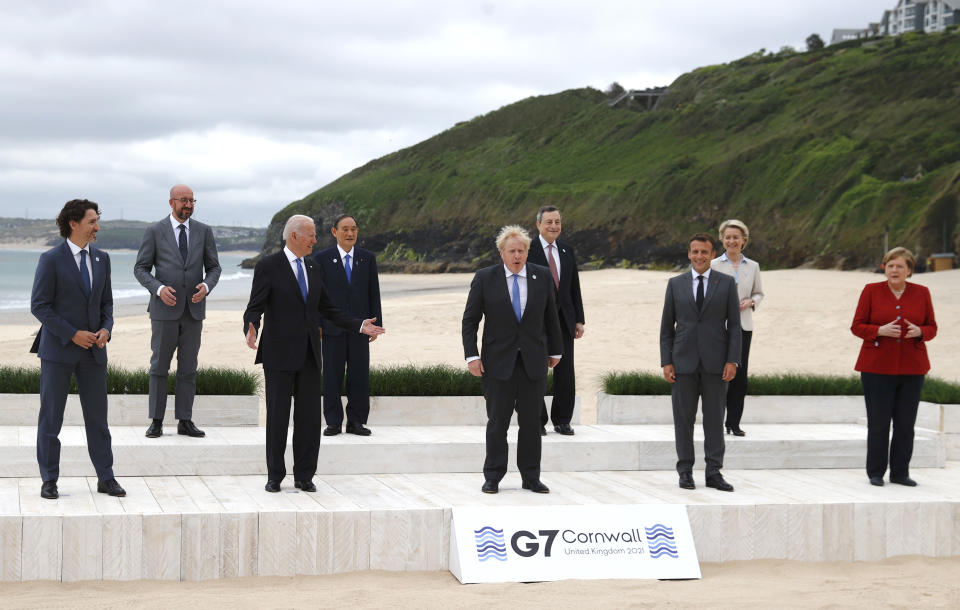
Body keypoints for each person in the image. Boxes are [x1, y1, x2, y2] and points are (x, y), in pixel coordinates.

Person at [243, 215, 384, 493]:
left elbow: (328, 309)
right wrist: (251, 326)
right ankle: (275, 476)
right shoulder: (268, 266)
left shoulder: (313, 266)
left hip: (310, 354)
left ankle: (304, 476)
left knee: (308, 420)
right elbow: (255, 305)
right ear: (294, 236)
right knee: (278, 418)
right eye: (310, 235)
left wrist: (359, 325)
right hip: (279, 355)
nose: (315, 240)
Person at [30, 199, 125, 499]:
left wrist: (106, 328)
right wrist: (72, 335)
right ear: (73, 223)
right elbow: (40, 306)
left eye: (97, 221)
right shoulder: (50, 260)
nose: (97, 227)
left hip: (95, 352)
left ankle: (106, 478)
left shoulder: (103, 259)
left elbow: (107, 303)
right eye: (92, 221)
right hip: (58, 351)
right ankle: (49, 480)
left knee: (98, 419)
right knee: (51, 419)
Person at [462, 225, 563, 494]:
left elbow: (551, 317)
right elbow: (470, 321)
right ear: (501, 253)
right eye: (512, 251)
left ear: (528, 252)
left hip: (533, 362)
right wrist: (472, 356)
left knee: (531, 424)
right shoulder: (485, 278)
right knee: (498, 423)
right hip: (497, 363)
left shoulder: (542, 276)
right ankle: (493, 476)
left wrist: (555, 351)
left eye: (521, 251)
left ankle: (531, 477)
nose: (517, 256)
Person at [134, 184, 221, 439]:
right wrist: (158, 288)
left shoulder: (204, 231)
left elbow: (214, 268)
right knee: (159, 366)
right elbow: (140, 268)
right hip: (164, 310)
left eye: (192, 201)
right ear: (171, 202)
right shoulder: (154, 231)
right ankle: (157, 421)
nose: (189, 205)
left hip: (194, 310)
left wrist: (206, 285)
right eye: (184, 200)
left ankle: (185, 420)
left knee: (188, 368)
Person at [660, 233, 741, 492]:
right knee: (683, 420)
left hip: (716, 364)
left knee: (715, 420)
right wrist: (667, 361)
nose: (699, 257)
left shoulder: (727, 284)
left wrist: (733, 360)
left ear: (712, 254)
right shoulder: (675, 284)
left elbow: (735, 327)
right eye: (695, 252)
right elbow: (666, 328)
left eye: (704, 252)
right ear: (689, 253)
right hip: (682, 363)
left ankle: (714, 472)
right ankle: (685, 471)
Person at [851, 247, 937, 487]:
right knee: (878, 423)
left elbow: (932, 327)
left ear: (909, 270)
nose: (894, 270)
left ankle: (900, 473)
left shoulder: (922, 293)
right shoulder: (871, 291)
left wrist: (921, 332)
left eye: (900, 266)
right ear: (884, 268)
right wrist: (878, 330)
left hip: (912, 368)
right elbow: (857, 326)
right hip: (876, 368)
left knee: (905, 424)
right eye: (890, 266)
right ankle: (875, 473)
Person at [312, 214, 382, 437]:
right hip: (332, 328)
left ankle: (356, 421)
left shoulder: (367, 258)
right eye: (345, 229)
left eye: (353, 229)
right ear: (334, 232)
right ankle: (333, 422)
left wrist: (376, 323)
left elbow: (374, 292)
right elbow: (316, 296)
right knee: (331, 376)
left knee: (359, 376)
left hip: (361, 328)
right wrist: (318, 324)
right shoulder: (322, 258)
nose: (350, 233)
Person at [528, 205, 585, 436]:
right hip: (536, 320)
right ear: (538, 225)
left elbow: (574, 286)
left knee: (565, 370)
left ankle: (562, 420)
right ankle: (537, 420)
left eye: (557, 222)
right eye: (549, 222)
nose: (554, 226)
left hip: (564, 319)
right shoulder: (528, 249)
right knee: (537, 369)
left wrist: (579, 319)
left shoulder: (566, 249)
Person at [710, 219, 763, 437]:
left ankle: (733, 423)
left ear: (744, 240)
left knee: (739, 376)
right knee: (717, 375)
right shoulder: (713, 265)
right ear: (722, 240)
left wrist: (751, 302)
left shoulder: (753, 266)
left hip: (743, 326)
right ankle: (715, 422)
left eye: (736, 237)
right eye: (728, 237)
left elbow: (759, 293)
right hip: (717, 327)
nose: (732, 241)